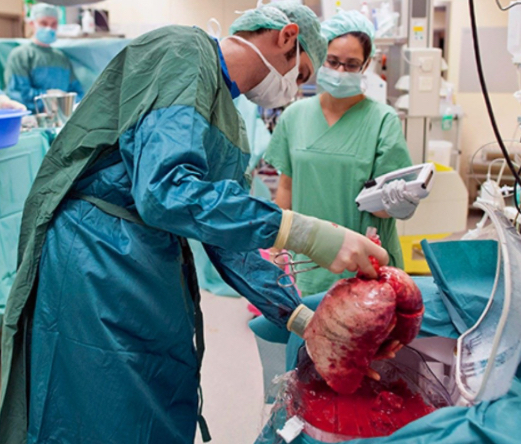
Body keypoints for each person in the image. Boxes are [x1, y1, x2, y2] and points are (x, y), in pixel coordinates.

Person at [0, 3, 389, 444]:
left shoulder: (229, 119)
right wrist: (308, 234)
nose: (293, 90)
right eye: (298, 75)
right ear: (286, 36)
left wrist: (304, 321)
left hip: (148, 259)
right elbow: (165, 191)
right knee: (103, 407)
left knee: (157, 395)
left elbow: (229, 243)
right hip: (95, 258)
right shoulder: (182, 52)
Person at [264, 10, 416, 296]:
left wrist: (400, 202)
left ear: (366, 65)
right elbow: (286, 186)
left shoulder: (382, 121)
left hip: (365, 264)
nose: (340, 71)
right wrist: (276, 248)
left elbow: (385, 206)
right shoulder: (295, 116)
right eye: (333, 61)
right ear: (321, 56)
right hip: (307, 262)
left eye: (352, 64)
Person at [4, 3, 84, 112]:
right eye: (43, 23)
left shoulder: (61, 58)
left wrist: (66, 103)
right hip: (32, 117)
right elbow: (18, 94)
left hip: (62, 117)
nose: (49, 28)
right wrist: (48, 99)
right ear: (32, 23)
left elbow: (77, 93)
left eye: (53, 24)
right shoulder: (20, 55)